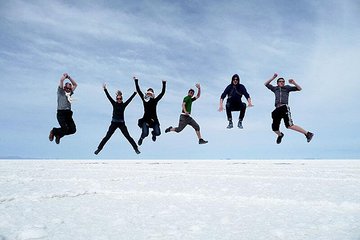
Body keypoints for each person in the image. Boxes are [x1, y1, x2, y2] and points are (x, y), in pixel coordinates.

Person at [264, 73, 314, 144]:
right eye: (280, 81)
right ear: (277, 83)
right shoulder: (275, 89)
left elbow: (299, 89)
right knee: (274, 128)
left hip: (284, 107)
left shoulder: (287, 88)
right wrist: (273, 77)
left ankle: (308, 133)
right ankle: (280, 135)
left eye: (283, 81)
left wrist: (294, 83)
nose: (282, 82)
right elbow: (266, 84)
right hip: (276, 109)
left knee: (289, 126)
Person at [94, 84, 140, 155]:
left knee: (127, 136)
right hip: (114, 123)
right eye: (117, 99)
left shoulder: (124, 105)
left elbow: (130, 99)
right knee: (107, 136)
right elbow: (108, 97)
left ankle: (136, 149)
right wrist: (105, 89)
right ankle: (99, 149)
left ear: (122, 99)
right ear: (116, 99)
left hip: (122, 124)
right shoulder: (114, 103)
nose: (119, 100)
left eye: (120, 99)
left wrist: (135, 93)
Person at [134, 76, 166, 145]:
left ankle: (153, 134)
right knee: (145, 133)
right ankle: (141, 138)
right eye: (148, 93)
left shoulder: (155, 101)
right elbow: (139, 91)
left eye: (151, 93)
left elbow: (162, 93)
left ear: (153, 94)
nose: (149, 94)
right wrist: (136, 81)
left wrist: (164, 83)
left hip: (154, 120)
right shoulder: (144, 100)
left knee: (158, 133)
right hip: (146, 120)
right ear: (147, 94)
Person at [49, 73, 77, 144]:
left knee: (73, 130)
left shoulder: (70, 93)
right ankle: (54, 131)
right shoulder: (61, 92)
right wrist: (65, 77)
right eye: (68, 85)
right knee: (65, 128)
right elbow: (61, 80)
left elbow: (75, 85)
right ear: (65, 87)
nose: (70, 86)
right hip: (61, 113)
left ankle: (59, 135)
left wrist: (69, 77)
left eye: (70, 86)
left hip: (68, 114)